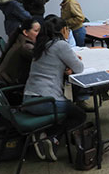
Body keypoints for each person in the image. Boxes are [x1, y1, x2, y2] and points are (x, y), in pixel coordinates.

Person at [23, 16, 87, 161]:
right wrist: (71, 63)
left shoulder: (41, 45)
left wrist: (65, 66)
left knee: (67, 109)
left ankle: (43, 134)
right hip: (46, 101)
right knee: (79, 114)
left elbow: (50, 64)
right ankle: (51, 137)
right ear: (63, 30)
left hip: (28, 99)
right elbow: (79, 68)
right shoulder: (61, 45)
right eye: (67, 29)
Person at [0, 18, 40, 85]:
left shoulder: (19, 40)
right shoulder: (26, 46)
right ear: (25, 32)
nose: (40, 34)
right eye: (36, 31)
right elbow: (41, 61)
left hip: (5, 79)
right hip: (12, 84)